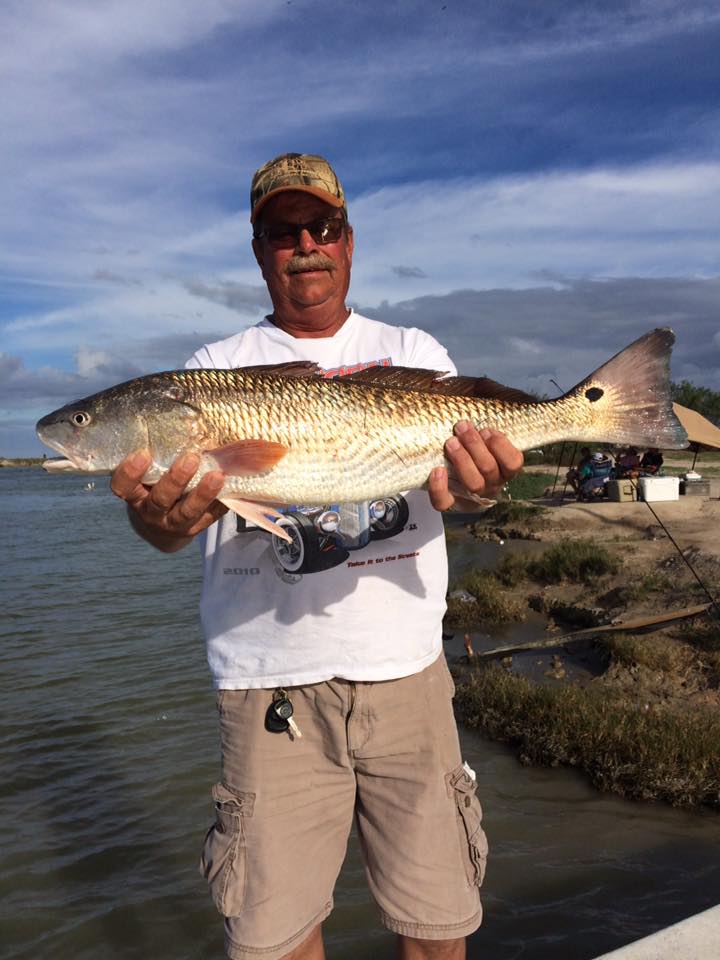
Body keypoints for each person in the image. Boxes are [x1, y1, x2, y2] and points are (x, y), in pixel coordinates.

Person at [110, 153, 523, 960]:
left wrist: (480, 488)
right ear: (259, 249)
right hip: (269, 687)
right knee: (277, 939)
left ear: (349, 240)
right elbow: (165, 531)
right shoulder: (208, 372)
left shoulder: (411, 346)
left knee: (439, 930)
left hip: (407, 674)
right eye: (281, 230)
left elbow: (464, 492)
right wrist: (160, 519)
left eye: (321, 226)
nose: (305, 244)